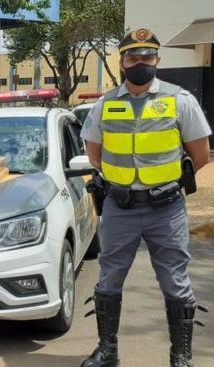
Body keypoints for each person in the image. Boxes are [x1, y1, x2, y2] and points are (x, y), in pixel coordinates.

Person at [80, 28, 211, 367]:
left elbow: (200, 155)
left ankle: (180, 357)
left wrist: (163, 182)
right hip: (119, 207)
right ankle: (107, 351)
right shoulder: (105, 104)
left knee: (175, 282)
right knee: (109, 279)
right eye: (133, 56)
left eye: (147, 55)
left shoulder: (180, 100)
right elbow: (95, 155)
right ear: (122, 62)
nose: (141, 61)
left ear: (158, 60)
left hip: (166, 210)